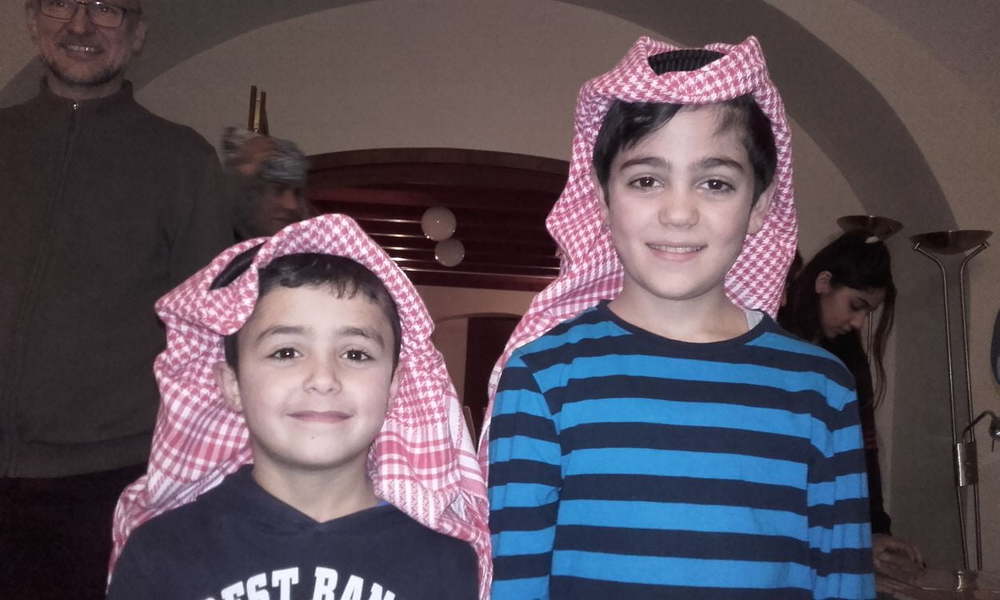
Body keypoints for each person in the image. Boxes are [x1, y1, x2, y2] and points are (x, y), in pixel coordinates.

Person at [481, 37, 874, 599]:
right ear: (602, 198)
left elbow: (844, 580)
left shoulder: (821, 389)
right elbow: (516, 585)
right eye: (646, 179)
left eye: (715, 183)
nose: (679, 212)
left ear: (760, 205)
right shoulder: (542, 378)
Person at [107, 214, 490, 599]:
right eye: (286, 352)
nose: (323, 378)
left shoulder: (446, 563)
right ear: (232, 384)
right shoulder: (163, 554)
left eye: (355, 354)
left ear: (394, 386)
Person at [0, 1, 234, 597]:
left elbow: (207, 331)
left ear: (136, 34)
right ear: (32, 20)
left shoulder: (183, 160)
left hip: (106, 483)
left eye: (106, 8)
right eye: (61, 2)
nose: (80, 24)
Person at [779, 230, 924, 573]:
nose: (858, 322)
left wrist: (876, 529)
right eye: (856, 306)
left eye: (867, 312)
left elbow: (863, 449)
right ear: (823, 283)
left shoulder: (847, 359)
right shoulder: (774, 340)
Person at [223, 127, 315, 239]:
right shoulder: (213, 242)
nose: (292, 205)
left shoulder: (313, 244)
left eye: (297, 193)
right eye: (278, 190)